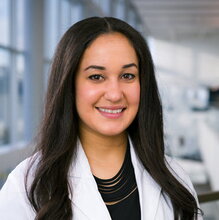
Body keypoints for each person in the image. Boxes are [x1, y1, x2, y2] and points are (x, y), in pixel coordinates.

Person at [0, 17, 203, 220]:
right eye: (96, 77)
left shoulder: (176, 180)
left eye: (128, 76)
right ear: (69, 84)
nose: (114, 94)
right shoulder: (26, 186)